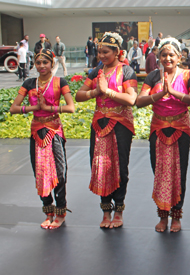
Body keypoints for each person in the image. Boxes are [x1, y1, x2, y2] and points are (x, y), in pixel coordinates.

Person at [136, 38, 190, 233]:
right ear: (159, 58)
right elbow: (139, 102)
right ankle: (162, 216)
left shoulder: (188, 75)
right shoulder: (153, 76)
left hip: (180, 130)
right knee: (159, 173)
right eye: (164, 55)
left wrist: (173, 92)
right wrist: (159, 95)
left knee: (179, 172)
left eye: (171, 55)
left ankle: (176, 215)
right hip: (158, 129)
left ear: (179, 57)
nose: (167, 58)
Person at [75, 32, 138, 229]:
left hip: (120, 123)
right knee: (100, 166)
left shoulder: (126, 71)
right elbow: (79, 95)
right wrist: (95, 92)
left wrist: (108, 91)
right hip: (99, 124)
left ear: (117, 52)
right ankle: (105, 211)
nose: (102, 55)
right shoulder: (95, 72)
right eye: (99, 52)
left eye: (106, 52)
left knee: (120, 167)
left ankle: (118, 210)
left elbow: (131, 99)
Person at [10, 48, 75, 229]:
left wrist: (49, 109)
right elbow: (14, 108)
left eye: (45, 62)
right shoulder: (29, 83)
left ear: (52, 64)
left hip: (54, 130)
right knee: (40, 173)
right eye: (38, 63)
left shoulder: (59, 82)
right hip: (37, 131)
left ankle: (61, 211)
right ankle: (48, 212)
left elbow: (71, 107)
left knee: (60, 172)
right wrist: (34, 108)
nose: (41, 66)